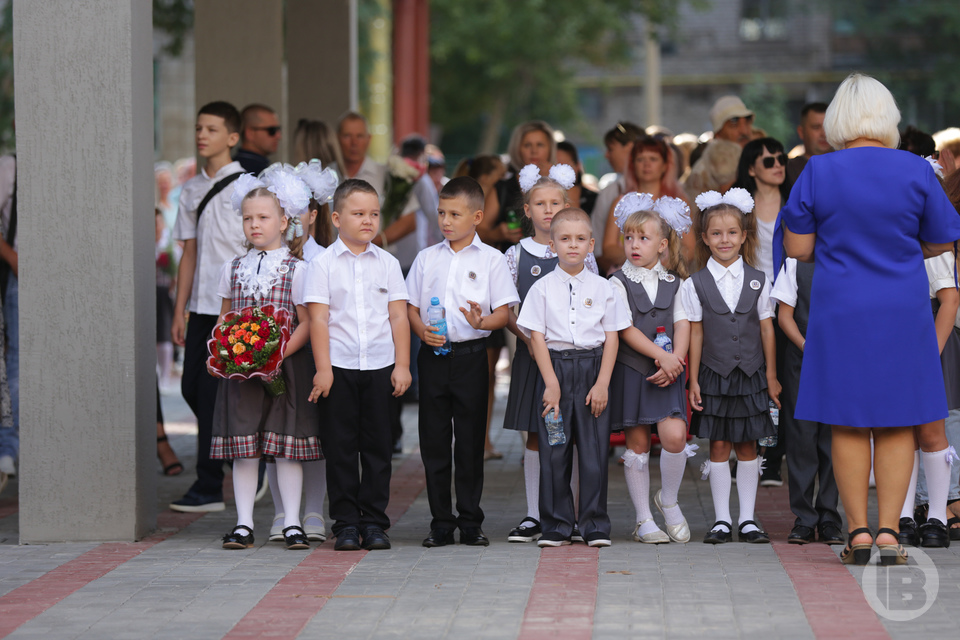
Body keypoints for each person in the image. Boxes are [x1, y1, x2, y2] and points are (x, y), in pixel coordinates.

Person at [778, 73, 960, 565]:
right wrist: (903, 247)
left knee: (848, 423)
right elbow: (943, 238)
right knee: (899, 422)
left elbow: (797, 248)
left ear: (838, 118)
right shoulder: (915, 171)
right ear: (887, 117)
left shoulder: (818, 171)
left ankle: (856, 533)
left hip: (840, 308)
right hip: (901, 308)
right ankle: (887, 534)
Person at [406, 176, 519, 548]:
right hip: (433, 358)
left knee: (470, 442)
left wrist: (481, 322)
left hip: (472, 357)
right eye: (441, 212)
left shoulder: (492, 260)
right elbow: (409, 306)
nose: (446, 221)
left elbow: (504, 312)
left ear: (477, 216)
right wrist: (421, 330)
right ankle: (441, 521)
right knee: (434, 441)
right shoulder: (427, 258)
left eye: (455, 213)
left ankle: (471, 520)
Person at [212, 169, 319, 551]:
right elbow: (225, 319)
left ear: (284, 221)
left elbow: (307, 322)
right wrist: (229, 351)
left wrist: (277, 354)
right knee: (244, 447)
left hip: (285, 368)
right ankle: (242, 523)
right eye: (247, 218)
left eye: (263, 217)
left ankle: (292, 522)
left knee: (285, 447)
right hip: (241, 371)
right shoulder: (233, 268)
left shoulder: (298, 269)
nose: (254, 224)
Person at [305, 179, 411, 551]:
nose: (368, 220)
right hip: (340, 367)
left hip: (381, 367)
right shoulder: (321, 265)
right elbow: (318, 320)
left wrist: (402, 365)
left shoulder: (388, 263)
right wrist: (323, 369)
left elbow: (398, 317)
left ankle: (375, 523)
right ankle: (346, 523)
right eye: (358, 213)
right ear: (336, 218)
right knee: (341, 448)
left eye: (374, 214)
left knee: (379, 448)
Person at [517, 207, 629, 547]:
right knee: (555, 449)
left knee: (594, 452)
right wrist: (551, 383)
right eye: (564, 239)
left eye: (580, 239)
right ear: (552, 246)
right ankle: (556, 524)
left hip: (594, 370)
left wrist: (602, 383)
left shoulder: (606, 287)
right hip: (555, 371)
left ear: (592, 244)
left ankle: (594, 523)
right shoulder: (541, 288)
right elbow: (536, 337)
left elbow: (612, 337)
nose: (573, 245)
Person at [503, 165, 598, 543]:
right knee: (536, 434)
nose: (547, 210)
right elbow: (508, 306)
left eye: (555, 202)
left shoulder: (578, 249)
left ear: (566, 205)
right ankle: (533, 514)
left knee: (570, 433)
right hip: (532, 355)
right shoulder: (515, 254)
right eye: (539, 203)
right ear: (527, 210)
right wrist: (527, 338)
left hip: (572, 358)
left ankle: (569, 514)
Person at [683, 189, 780, 545]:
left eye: (732, 233)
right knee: (720, 444)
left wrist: (770, 375)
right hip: (714, 375)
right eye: (716, 233)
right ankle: (722, 519)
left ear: (744, 236)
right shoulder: (694, 284)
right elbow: (695, 333)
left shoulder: (759, 279)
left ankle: (748, 519)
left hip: (752, 375)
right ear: (705, 239)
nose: (725, 240)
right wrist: (692, 379)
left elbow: (767, 328)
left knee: (749, 446)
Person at [170, 101, 247, 513]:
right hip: (200, 309)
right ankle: (243, 456)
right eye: (200, 128)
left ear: (232, 138)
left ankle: (208, 484)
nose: (203, 135)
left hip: (235, 310)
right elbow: (189, 253)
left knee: (213, 392)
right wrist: (180, 308)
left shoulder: (246, 187)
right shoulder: (191, 190)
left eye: (213, 129)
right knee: (191, 388)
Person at [608, 194, 696, 544]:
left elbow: (684, 323)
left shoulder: (677, 283)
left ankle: (669, 500)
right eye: (629, 237)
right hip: (633, 371)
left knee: (674, 437)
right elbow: (624, 328)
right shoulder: (617, 282)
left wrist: (677, 361)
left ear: (662, 245)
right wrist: (662, 357)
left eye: (643, 238)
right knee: (638, 443)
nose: (634, 245)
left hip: (669, 372)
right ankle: (644, 519)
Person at [259, 161, 338, 544]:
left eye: (297, 212)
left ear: (312, 214)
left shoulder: (324, 257)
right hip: (275, 357)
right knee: (276, 436)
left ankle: (313, 510)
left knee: (314, 436)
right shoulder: (263, 259)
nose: (290, 220)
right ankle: (280, 511)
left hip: (316, 355)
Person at [897, 213, 960, 549]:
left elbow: (949, 299)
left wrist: (929, 353)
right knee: (901, 431)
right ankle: (903, 515)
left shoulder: (932, 250)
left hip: (926, 346)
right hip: (891, 346)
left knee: (932, 430)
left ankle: (937, 516)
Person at [770, 258, 842, 545]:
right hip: (802, 359)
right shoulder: (795, 265)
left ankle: (830, 517)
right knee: (802, 436)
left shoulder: (849, 262)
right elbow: (784, 315)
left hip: (841, 360)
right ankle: (804, 517)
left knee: (834, 437)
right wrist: (805, 345)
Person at [603, 135, 687, 268]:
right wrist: (641, 258)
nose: (647, 164)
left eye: (653, 159)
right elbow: (608, 249)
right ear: (633, 165)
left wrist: (663, 264)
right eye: (640, 159)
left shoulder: (678, 202)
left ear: (665, 165)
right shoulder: (620, 202)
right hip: (626, 280)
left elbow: (689, 249)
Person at [480, 120, 556, 251]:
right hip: (511, 264)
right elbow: (479, 230)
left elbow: (576, 224)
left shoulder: (561, 183)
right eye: (527, 145)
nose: (534, 151)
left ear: (550, 149)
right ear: (517, 149)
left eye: (540, 145)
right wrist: (495, 234)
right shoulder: (503, 187)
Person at [594, 122, 644, 272]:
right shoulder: (612, 193)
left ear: (629, 148)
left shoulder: (612, 192)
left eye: (610, 149)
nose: (606, 155)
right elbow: (599, 250)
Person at [0, 153, 18, 483]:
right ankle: (8, 450)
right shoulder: (9, 166)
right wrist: (15, 259)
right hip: (18, 275)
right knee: (15, 363)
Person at [337, 111, 386, 196]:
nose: (354, 142)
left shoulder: (385, 176)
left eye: (360, 136)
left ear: (369, 139)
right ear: (337, 138)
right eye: (347, 136)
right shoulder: (326, 174)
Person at [785, 103, 830, 190]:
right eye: (816, 127)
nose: (824, 134)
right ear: (801, 132)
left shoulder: (845, 165)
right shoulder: (787, 170)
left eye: (828, 127)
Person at [235, 104, 281, 175]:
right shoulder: (245, 171)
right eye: (272, 130)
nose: (278, 136)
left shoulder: (261, 166)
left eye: (279, 129)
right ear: (250, 133)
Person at [556, 141, 597, 216]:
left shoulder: (595, 200)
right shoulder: (543, 199)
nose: (560, 172)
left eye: (565, 165)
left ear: (578, 166)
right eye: (555, 166)